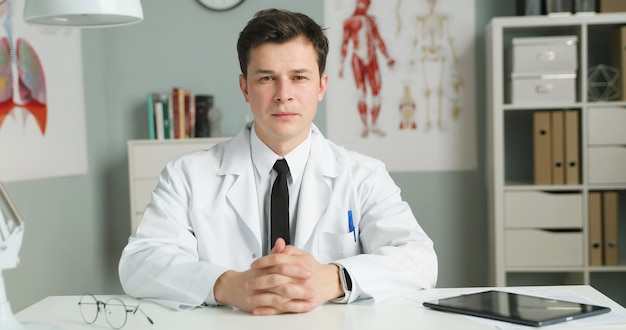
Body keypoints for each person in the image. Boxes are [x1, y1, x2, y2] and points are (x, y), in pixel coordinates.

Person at [118, 8, 437, 316]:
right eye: (267, 78)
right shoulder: (186, 175)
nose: (284, 94)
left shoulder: (364, 175)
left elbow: (420, 259)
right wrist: (226, 285)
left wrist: (335, 278)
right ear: (245, 87)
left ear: (321, 86)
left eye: (299, 77)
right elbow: (139, 263)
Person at [339, 0, 395, 138]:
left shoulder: (371, 20)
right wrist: (342, 66)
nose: (365, 7)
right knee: (361, 92)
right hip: (357, 58)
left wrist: (387, 57)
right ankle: (365, 126)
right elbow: (345, 43)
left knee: (376, 90)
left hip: (372, 58)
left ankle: (374, 124)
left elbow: (378, 39)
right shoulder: (349, 22)